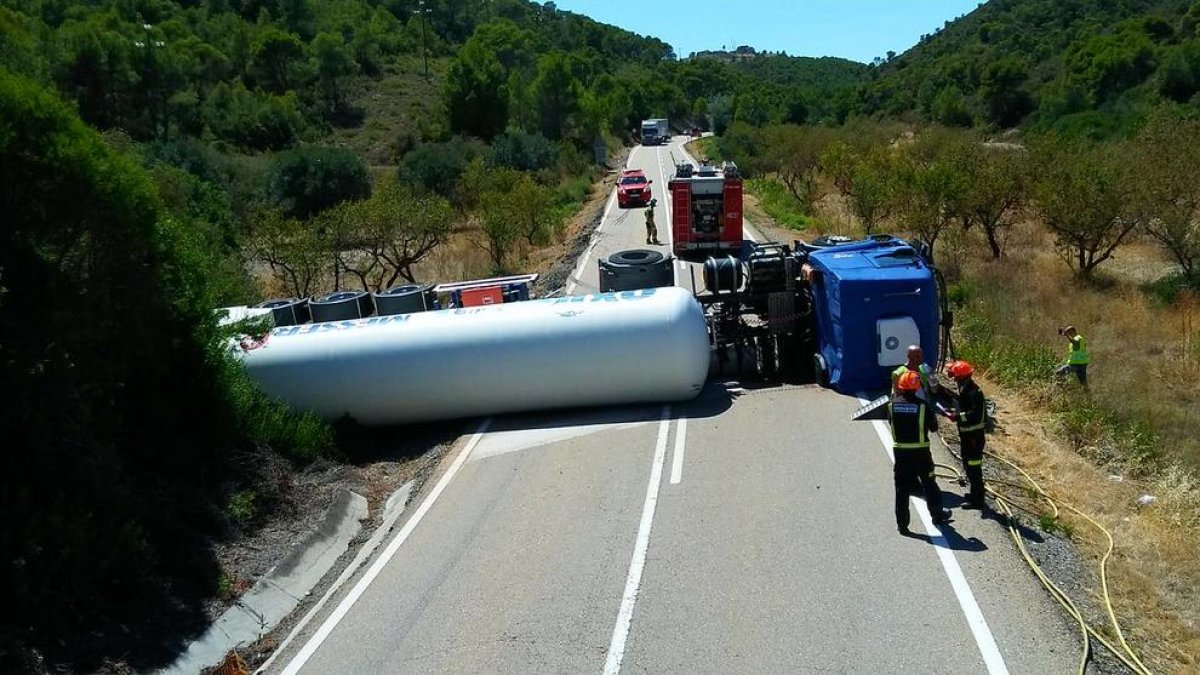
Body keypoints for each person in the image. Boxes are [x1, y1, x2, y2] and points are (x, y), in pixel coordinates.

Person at [888, 371, 952, 535]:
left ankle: (902, 525)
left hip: (901, 454)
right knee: (929, 484)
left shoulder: (891, 405)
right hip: (921, 453)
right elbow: (934, 427)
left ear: (901, 387)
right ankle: (937, 515)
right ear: (916, 388)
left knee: (901, 489)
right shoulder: (923, 406)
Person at [946, 360, 987, 509]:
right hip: (967, 437)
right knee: (968, 466)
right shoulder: (966, 389)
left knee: (974, 468)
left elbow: (974, 415)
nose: (954, 380)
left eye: (956, 377)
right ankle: (974, 493)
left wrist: (956, 416)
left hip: (974, 438)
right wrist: (955, 413)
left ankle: (977, 501)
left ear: (963, 377)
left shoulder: (973, 393)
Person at [891, 345, 951, 417]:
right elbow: (897, 394)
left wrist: (931, 378)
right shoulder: (900, 372)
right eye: (916, 356)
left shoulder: (924, 369)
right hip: (908, 407)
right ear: (909, 356)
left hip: (923, 405)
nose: (919, 359)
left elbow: (934, 390)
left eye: (920, 356)